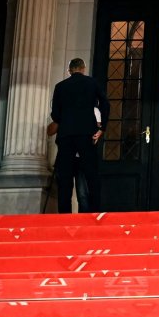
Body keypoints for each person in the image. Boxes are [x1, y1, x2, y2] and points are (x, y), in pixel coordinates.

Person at [49, 57, 108, 212]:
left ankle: (65, 215)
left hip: (66, 135)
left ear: (69, 70)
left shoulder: (60, 87)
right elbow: (105, 103)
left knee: (65, 179)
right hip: (86, 133)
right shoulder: (92, 83)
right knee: (91, 175)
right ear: (83, 68)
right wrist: (102, 128)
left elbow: (55, 114)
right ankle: (95, 212)